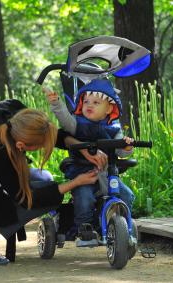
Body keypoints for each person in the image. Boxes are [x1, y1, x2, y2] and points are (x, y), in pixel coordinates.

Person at [0, 99, 106, 265]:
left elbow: (48, 133)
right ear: (21, 145)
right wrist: (75, 183)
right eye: (39, 147)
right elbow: (27, 200)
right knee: (49, 197)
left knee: (45, 179)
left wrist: (81, 148)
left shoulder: (14, 111)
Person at [45, 79, 135, 240]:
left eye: (95, 102)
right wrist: (57, 104)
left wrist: (127, 147)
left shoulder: (114, 129)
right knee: (84, 198)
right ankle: (83, 227)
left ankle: (120, 224)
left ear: (109, 108)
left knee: (126, 195)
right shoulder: (77, 124)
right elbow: (64, 119)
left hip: (107, 175)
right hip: (83, 173)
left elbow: (122, 152)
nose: (89, 105)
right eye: (86, 101)